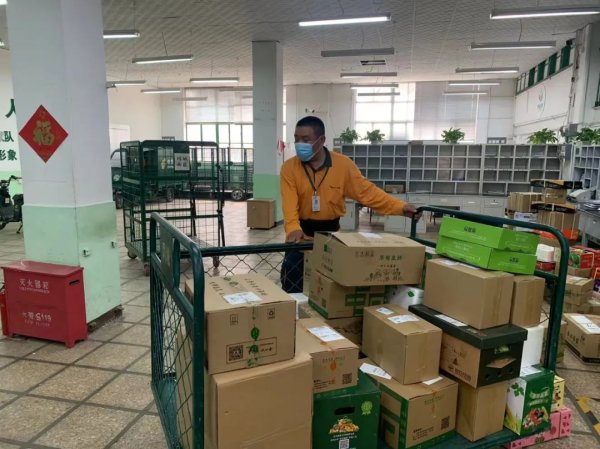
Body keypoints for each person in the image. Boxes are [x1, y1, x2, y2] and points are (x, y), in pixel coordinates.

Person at [279, 116, 421, 293]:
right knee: (293, 284)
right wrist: (293, 227)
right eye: (296, 139)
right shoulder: (289, 168)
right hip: (300, 236)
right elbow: (289, 202)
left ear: (321, 140)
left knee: (329, 288)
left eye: (305, 140)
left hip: (330, 236)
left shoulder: (343, 165)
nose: (299, 144)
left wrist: (400, 207)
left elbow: (367, 193)